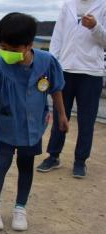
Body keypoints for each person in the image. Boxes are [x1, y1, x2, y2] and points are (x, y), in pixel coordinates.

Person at [0, 13, 69, 231]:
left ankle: (20, 208)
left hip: (33, 128)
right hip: (7, 126)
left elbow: (56, 89)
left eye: (12, 49)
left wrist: (62, 115)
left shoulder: (47, 62)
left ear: (28, 45)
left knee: (26, 166)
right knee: (2, 163)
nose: (5, 52)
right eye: (2, 47)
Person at [37, 0, 106, 178]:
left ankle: (80, 161)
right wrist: (52, 65)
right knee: (61, 115)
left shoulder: (103, 5)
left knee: (86, 120)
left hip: (91, 72)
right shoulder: (68, 5)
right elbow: (57, 37)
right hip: (64, 70)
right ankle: (53, 156)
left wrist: (95, 26)